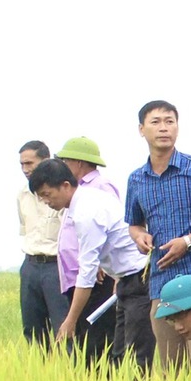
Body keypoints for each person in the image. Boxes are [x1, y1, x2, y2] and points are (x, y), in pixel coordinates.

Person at [124, 100, 191, 370]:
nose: (164, 128)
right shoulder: (137, 179)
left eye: (170, 121)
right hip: (161, 280)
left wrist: (187, 241)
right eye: (156, 122)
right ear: (141, 129)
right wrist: (139, 237)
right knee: (170, 368)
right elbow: (134, 224)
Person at [29, 156, 153, 365]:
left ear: (65, 186)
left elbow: (86, 273)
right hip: (127, 279)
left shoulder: (86, 212)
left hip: (139, 279)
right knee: (119, 354)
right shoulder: (87, 200)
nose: (46, 201)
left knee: (135, 354)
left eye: (47, 195)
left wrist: (70, 321)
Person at [16, 140, 64, 344]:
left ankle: (69, 373)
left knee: (63, 326)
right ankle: (39, 372)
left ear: (46, 160)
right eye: (22, 165)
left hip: (57, 267)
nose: (26, 169)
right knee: (32, 328)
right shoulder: (22, 196)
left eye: (30, 163)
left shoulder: (62, 194)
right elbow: (24, 230)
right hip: (30, 266)